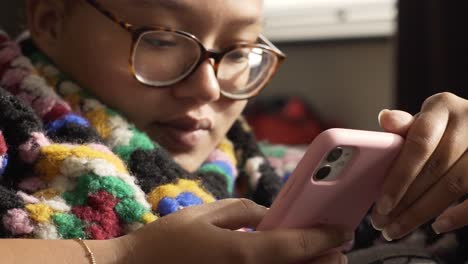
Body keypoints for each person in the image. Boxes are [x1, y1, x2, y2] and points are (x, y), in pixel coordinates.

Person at [0, 0, 467, 263]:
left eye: (240, 51)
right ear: (51, 20)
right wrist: (122, 256)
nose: (207, 87)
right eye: (162, 40)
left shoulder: (268, 173)